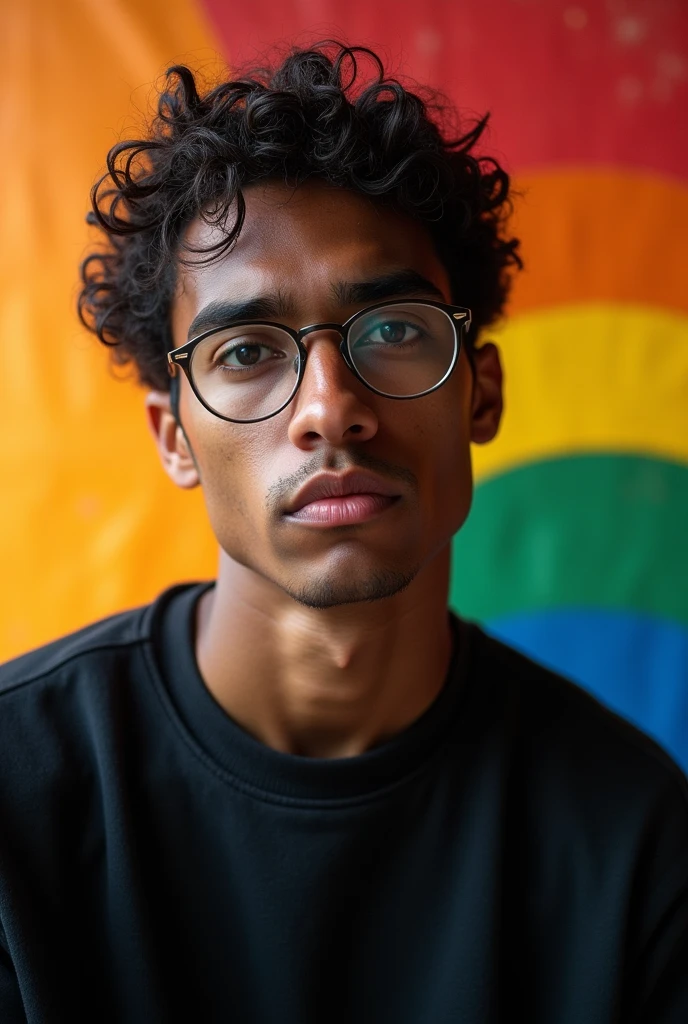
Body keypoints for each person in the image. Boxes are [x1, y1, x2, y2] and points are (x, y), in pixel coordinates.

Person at [0, 42, 686, 1024]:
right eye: (246, 351)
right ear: (174, 435)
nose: (329, 407)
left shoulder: (628, 833)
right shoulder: (21, 788)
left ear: (479, 392)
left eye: (394, 331)